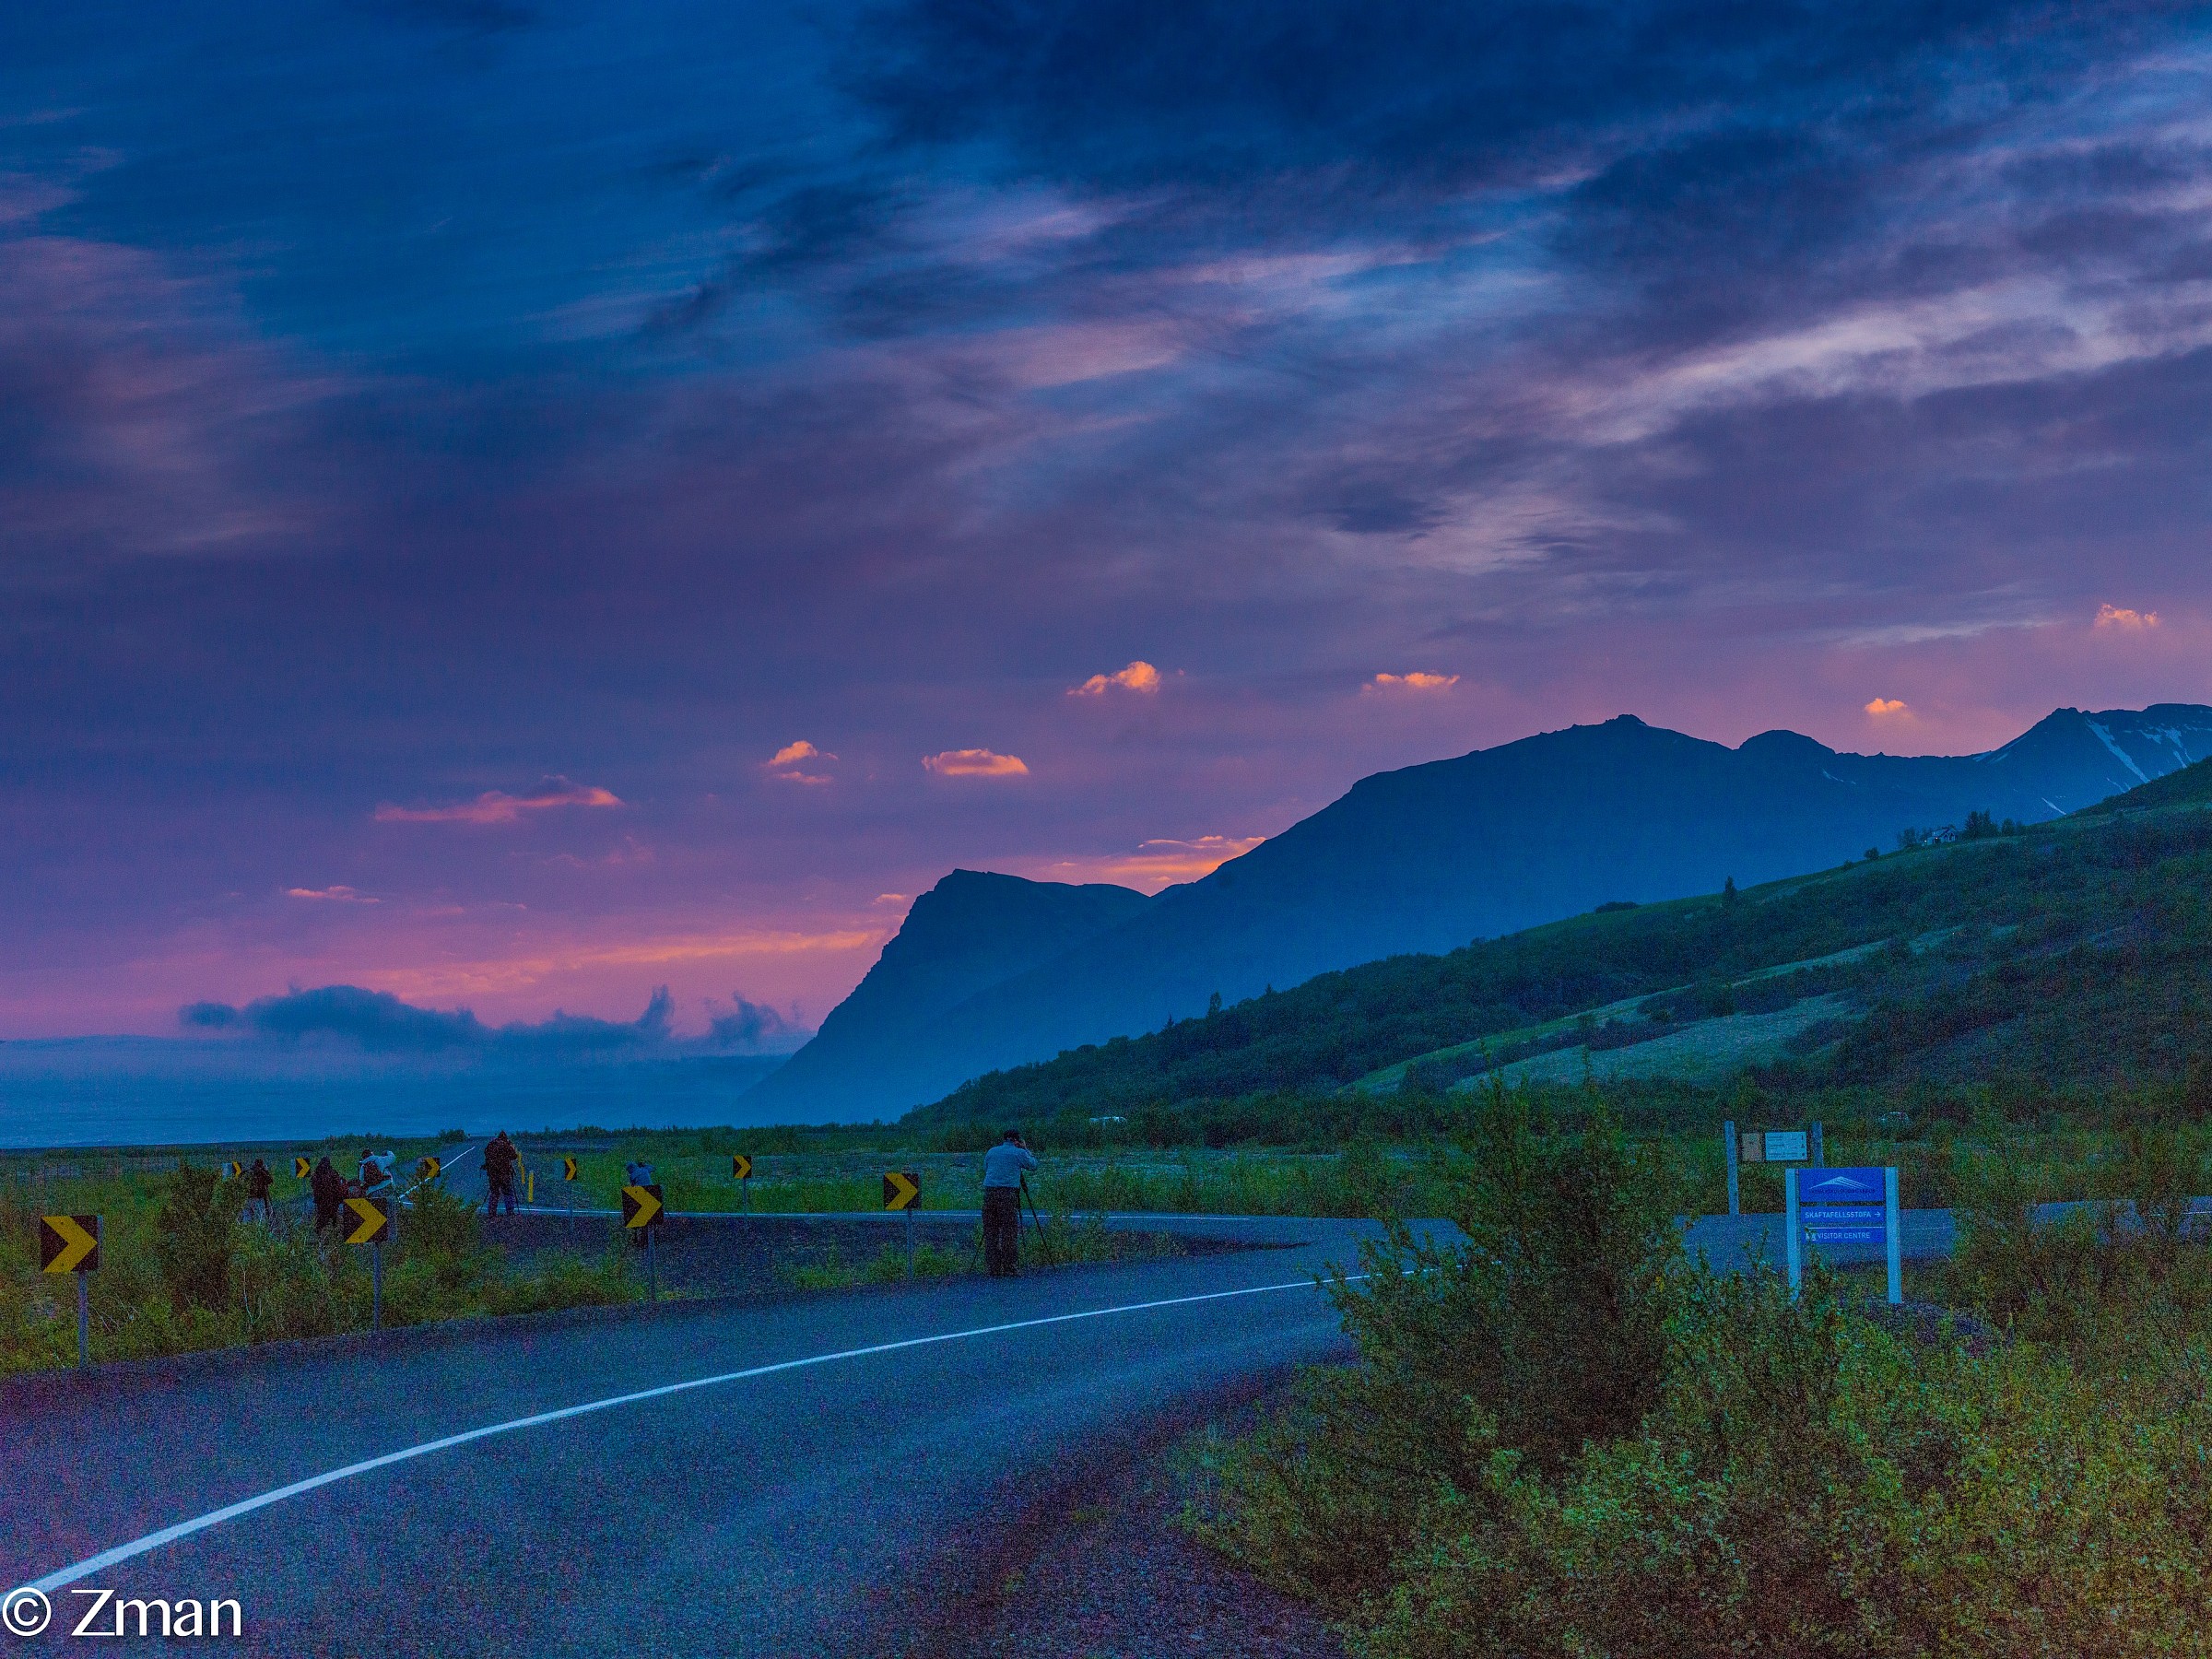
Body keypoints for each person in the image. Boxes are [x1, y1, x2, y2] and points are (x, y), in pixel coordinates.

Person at [982, 1130, 1038, 1277]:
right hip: (1007, 1194)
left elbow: (986, 1169)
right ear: (1016, 1140)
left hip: (989, 1193)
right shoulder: (1019, 1153)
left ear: (1004, 1139)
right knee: (1009, 1231)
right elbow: (1033, 1165)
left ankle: (993, 1268)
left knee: (991, 1231)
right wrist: (1025, 1149)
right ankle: (1009, 1267)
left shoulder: (992, 1151)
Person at [484, 1132, 521, 1216]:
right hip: (504, 1173)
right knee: (508, 1192)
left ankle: (491, 1212)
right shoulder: (506, 1145)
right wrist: (510, 1146)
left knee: (494, 1193)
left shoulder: (491, 1145)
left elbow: (486, 1154)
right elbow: (514, 1156)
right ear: (505, 1138)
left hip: (493, 1174)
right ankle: (510, 1212)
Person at [311, 1156, 346, 1233]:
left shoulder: (316, 1173)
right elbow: (337, 1186)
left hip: (321, 1199)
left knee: (322, 1216)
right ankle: (332, 1232)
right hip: (332, 1199)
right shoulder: (332, 1173)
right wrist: (339, 1197)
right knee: (333, 1216)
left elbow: (313, 1185)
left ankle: (319, 1232)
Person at [244, 1158, 275, 1223]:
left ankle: (246, 1228)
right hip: (258, 1198)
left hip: (247, 1198)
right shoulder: (261, 1172)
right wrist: (266, 1171)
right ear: (262, 1165)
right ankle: (260, 1229)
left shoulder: (249, 1172)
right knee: (260, 1216)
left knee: (247, 1217)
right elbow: (270, 1180)